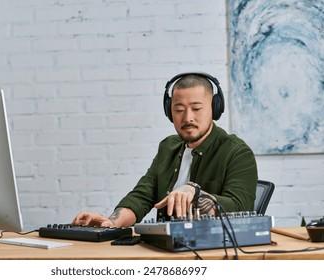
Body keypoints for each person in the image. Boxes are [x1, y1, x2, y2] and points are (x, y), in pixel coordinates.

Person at [72, 72, 258, 228]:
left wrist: (195, 192)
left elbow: (241, 208)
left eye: (197, 108)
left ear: (214, 109)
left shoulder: (237, 152)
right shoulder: (168, 147)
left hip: (212, 250)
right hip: (167, 247)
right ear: (170, 112)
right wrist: (111, 223)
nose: (188, 117)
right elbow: (142, 196)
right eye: (179, 110)